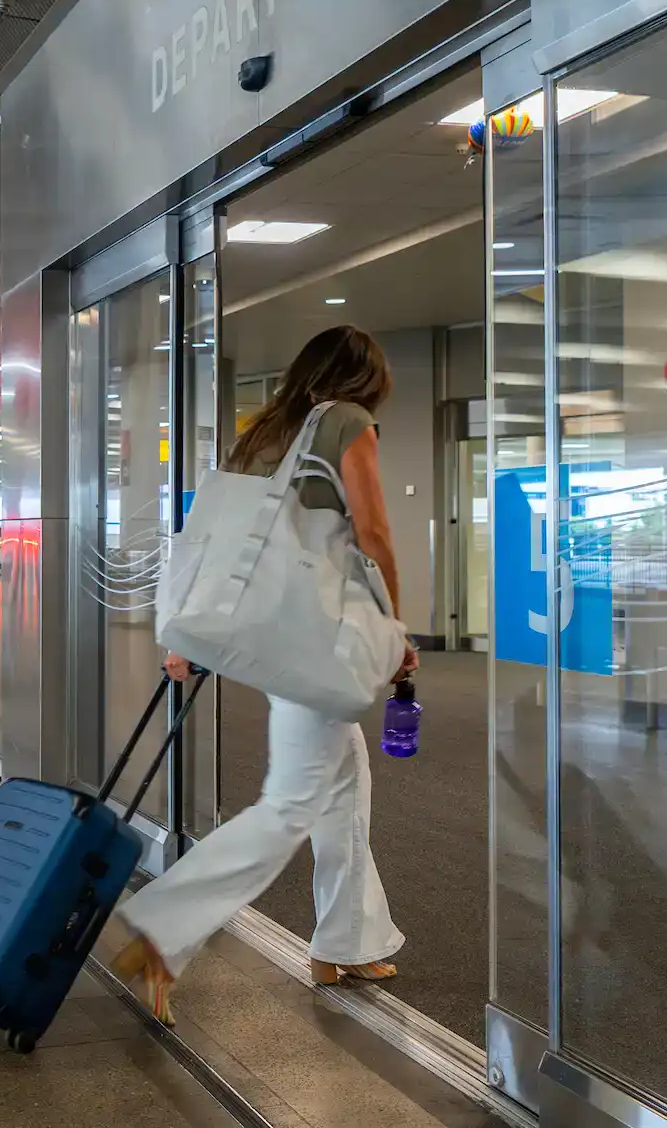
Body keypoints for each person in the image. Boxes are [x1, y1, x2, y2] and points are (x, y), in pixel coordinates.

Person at [112, 325, 417, 1025]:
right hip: (315, 644)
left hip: (277, 640)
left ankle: (346, 941)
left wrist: (188, 633)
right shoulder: (345, 421)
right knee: (290, 805)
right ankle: (163, 931)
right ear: (362, 376)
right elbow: (373, 534)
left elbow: (216, 544)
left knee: (344, 787)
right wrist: (397, 628)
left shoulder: (261, 435)